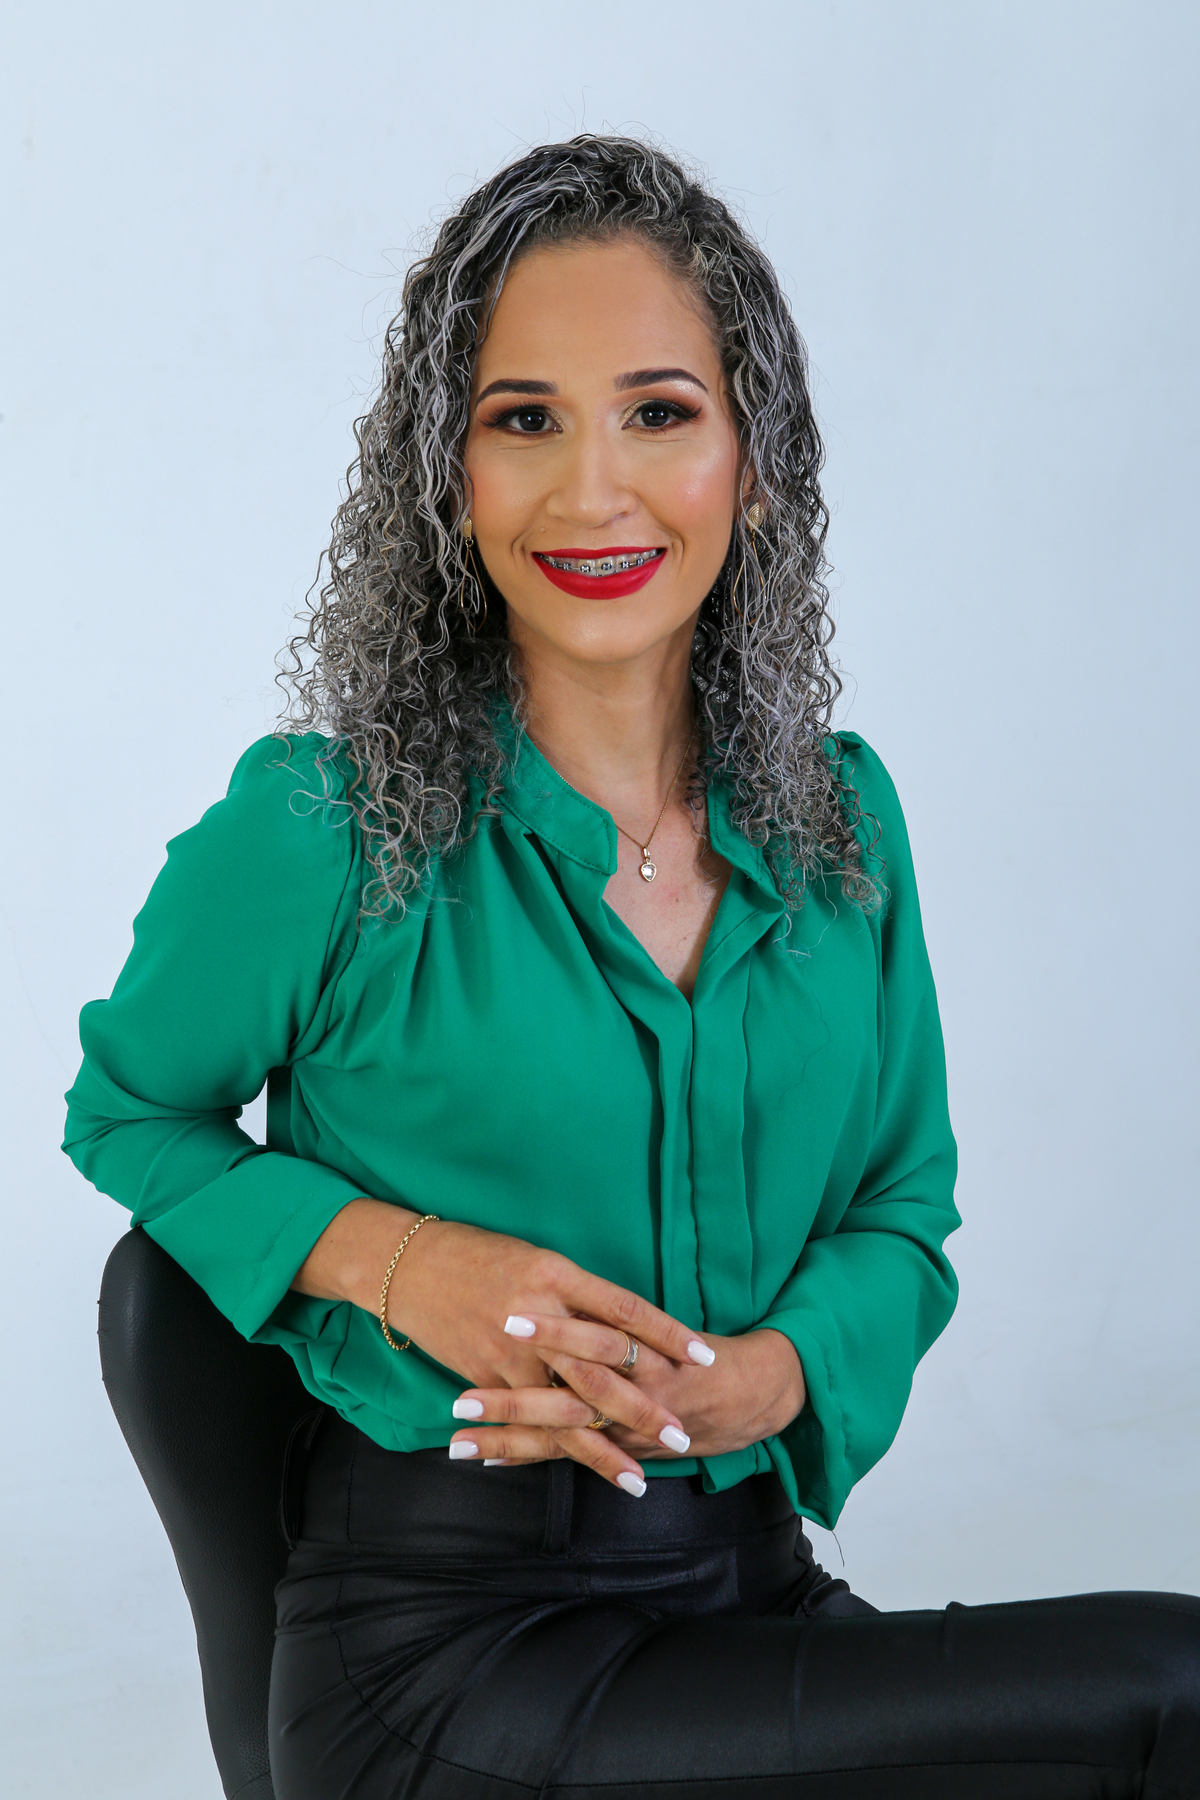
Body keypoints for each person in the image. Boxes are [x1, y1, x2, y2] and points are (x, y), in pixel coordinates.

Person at [64, 135, 1199, 1798]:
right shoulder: (320, 830)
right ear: (447, 473)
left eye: (658, 413)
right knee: (1172, 1690)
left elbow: (902, 1211)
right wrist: (403, 1262)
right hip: (444, 1660)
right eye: (524, 420)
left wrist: (771, 1380)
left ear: (755, 459)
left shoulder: (844, 824)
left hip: (748, 1599)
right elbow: (125, 1115)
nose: (592, 490)